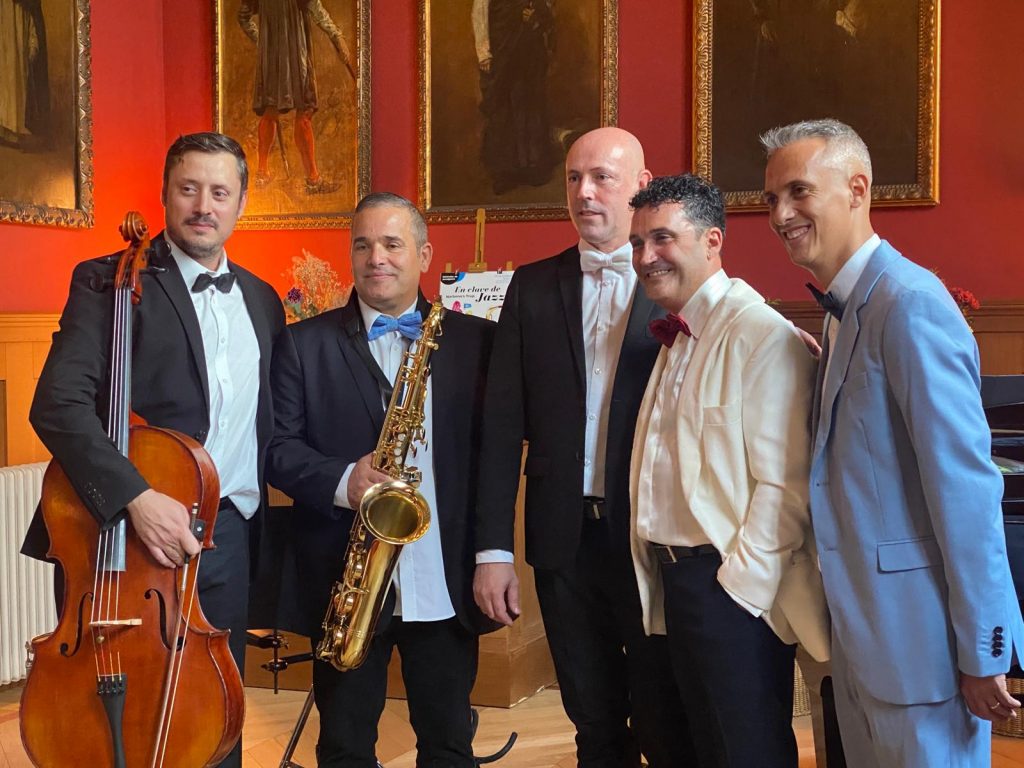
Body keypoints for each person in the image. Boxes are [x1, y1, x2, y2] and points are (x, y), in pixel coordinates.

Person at [761, 117, 1024, 766]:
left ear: (856, 189)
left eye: (798, 192)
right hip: (866, 643)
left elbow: (966, 490)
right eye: (771, 199)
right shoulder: (845, 309)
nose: (780, 214)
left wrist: (987, 649)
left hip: (924, 653)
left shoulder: (910, 303)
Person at [23, 131, 286, 768]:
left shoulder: (262, 298)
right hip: (121, 544)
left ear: (241, 203)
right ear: (166, 195)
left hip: (227, 538)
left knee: (213, 714)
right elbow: (56, 403)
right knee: (113, 723)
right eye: (188, 188)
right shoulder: (108, 281)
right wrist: (135, 497)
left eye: (219, 192)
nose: (204, 205)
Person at [474, 127, 696, 767]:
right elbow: (499, 428)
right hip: (562, 541)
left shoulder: (677, 284)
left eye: (602, 176)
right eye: (574, 178)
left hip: (651, 539)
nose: (585, 192)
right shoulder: (531, 288)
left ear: (641, 187)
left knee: (664, 712)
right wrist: (494, 550)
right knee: (592, 716)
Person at [266, 192, 498, 766]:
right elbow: (275, 449)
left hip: (441, 579)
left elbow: (493, 457)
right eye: (363, 244)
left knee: (448, 742)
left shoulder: (475, 342)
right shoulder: (302, 343)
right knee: (344, 746)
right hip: (345, 585)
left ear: (423, 254)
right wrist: (347, 480)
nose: (377, 258)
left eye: (393, 244)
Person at [626, 173, 830, 767]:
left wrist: (739, 590)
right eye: (638, 242)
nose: (646, 256)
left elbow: (788, 486)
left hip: (729, 589)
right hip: (670, 584)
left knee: (746, 754)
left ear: (713, 240)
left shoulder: (761, 334)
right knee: (687, 750)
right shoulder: (677, 336)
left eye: (663, 238)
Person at [238, 0, 353, 194]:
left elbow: (243, 17)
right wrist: (337, 37)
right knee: (302, 113)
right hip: (297, 59)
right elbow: (318, 12)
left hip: (271, 61)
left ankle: (262, 174)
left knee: (271, 111)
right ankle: (313, 180)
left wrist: (264, 43)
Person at [471, 0, 559, 194]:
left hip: (531, 51)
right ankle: (504, 171)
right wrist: (483, 52)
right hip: (502, 50)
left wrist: (536, 19)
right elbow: (480, 10)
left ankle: (534, 165)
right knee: (503, 109)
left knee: (532, 106)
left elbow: (547, 7)